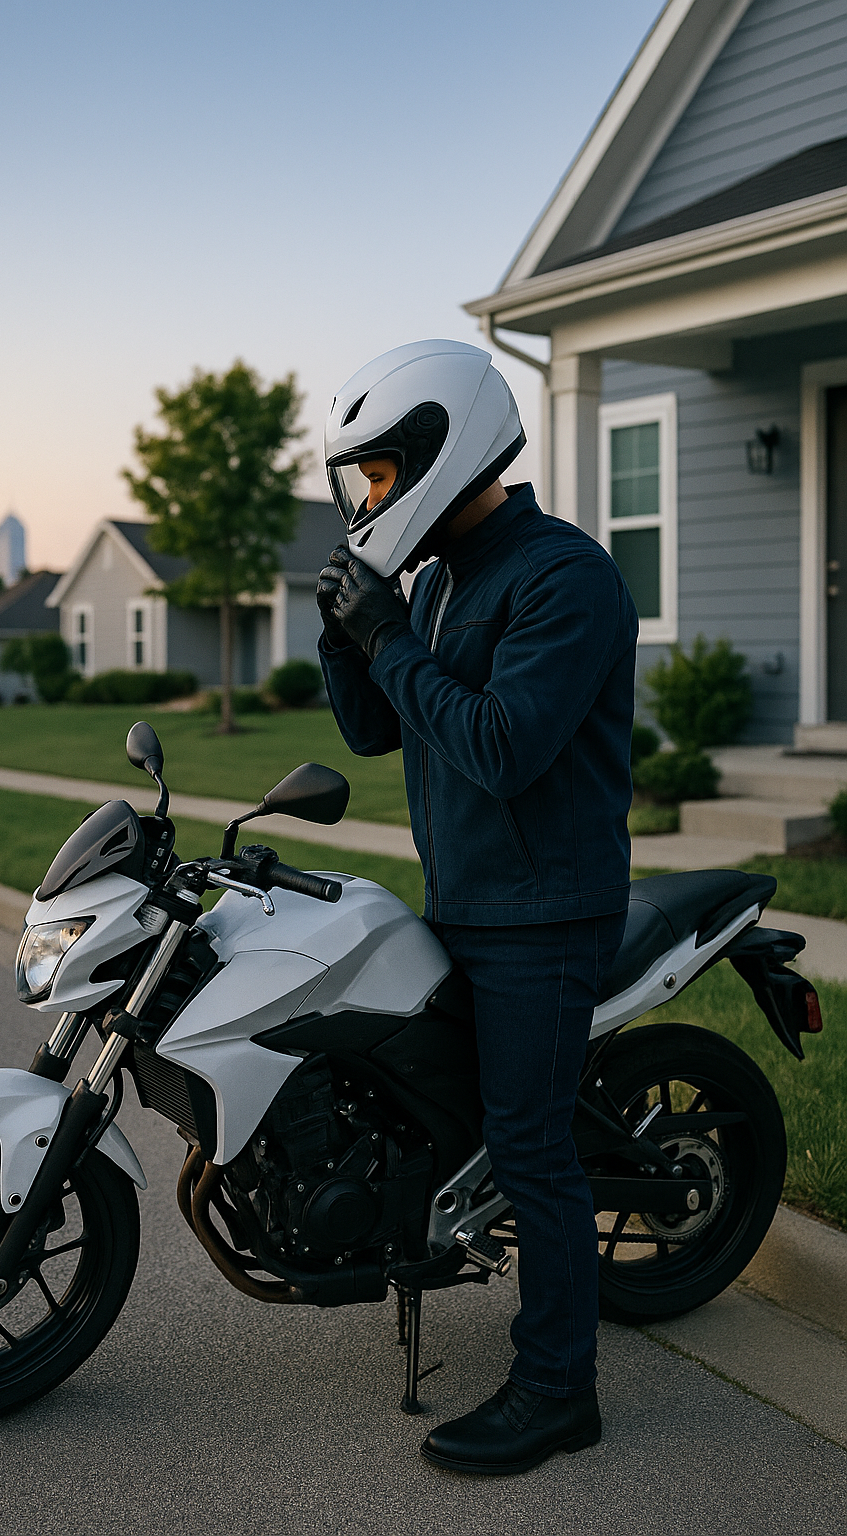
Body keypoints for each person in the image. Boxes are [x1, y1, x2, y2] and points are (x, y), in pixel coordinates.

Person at [315, 339, 638, 1476]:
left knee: (529, 1146)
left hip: (545, 915)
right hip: (463, 898)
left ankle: (559, 1392)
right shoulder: (443, 577)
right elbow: (376, 730)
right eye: (363, 482)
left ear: (445, 450)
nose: (371, 501)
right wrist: (348, 639)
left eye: (384, 475)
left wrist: (389, 636)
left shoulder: (565, 576)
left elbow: (499, 748)